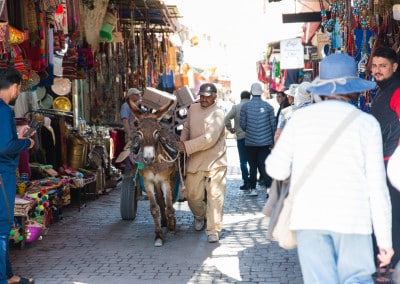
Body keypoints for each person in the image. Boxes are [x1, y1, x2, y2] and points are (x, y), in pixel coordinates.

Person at [265, 53, 393, 283]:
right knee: (357, 279)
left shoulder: (299, 120)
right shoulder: (366, 124)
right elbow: (377, 189)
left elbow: (276, 169)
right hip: (353, 220)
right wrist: (385, 242)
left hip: (309, 218)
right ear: (353, 87)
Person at [177, 83, 227, 243]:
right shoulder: (193, 109)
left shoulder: (218, 113)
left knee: (215, 197)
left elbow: (210, 138)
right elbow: (186, 128)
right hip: (195, 160)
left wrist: (186, 146)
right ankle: (200, 216)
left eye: (207, 96)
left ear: (214, 97)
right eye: (202, 96)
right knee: (192, 196)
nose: (204, 99)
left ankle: (213, 230)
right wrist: (181, 141)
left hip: (215, 161)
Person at [0, 67, 35, 284]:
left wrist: (17, 134)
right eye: (19, 89)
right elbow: (5, 147)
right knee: (2, 227)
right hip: (3, 175)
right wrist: (26, 142)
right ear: (15, 87)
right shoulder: (4, 110)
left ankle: (8, 275)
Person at [370, 46, 400, 272]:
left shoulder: (396, 90)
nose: (377, 70)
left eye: (383, 66)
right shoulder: (382, 90)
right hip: (384, 160)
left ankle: (390, 262)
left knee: (393, 216)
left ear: (394, 67)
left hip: (393, 164)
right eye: (375, 66)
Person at [240, 82, 275, 196]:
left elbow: (242, 124)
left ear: (251, 93)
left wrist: (250, 131)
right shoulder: (269, 107)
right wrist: (273, 140)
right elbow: (273, 125)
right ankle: (269, 189)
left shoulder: (245, 107)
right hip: (265, 143)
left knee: (253, 166)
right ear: (261, 93)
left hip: (250, 142)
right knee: (264, 165)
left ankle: (253, 189)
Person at [224, 90, 251, 191]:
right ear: (249, 97)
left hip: (241, 138)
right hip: (253, 138)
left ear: (241, 97)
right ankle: (253, 182)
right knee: (253, 161)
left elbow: (226, 119)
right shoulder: (252, 106)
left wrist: (230, 129)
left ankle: (246, 182)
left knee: (243, 161)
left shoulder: (236, 107)